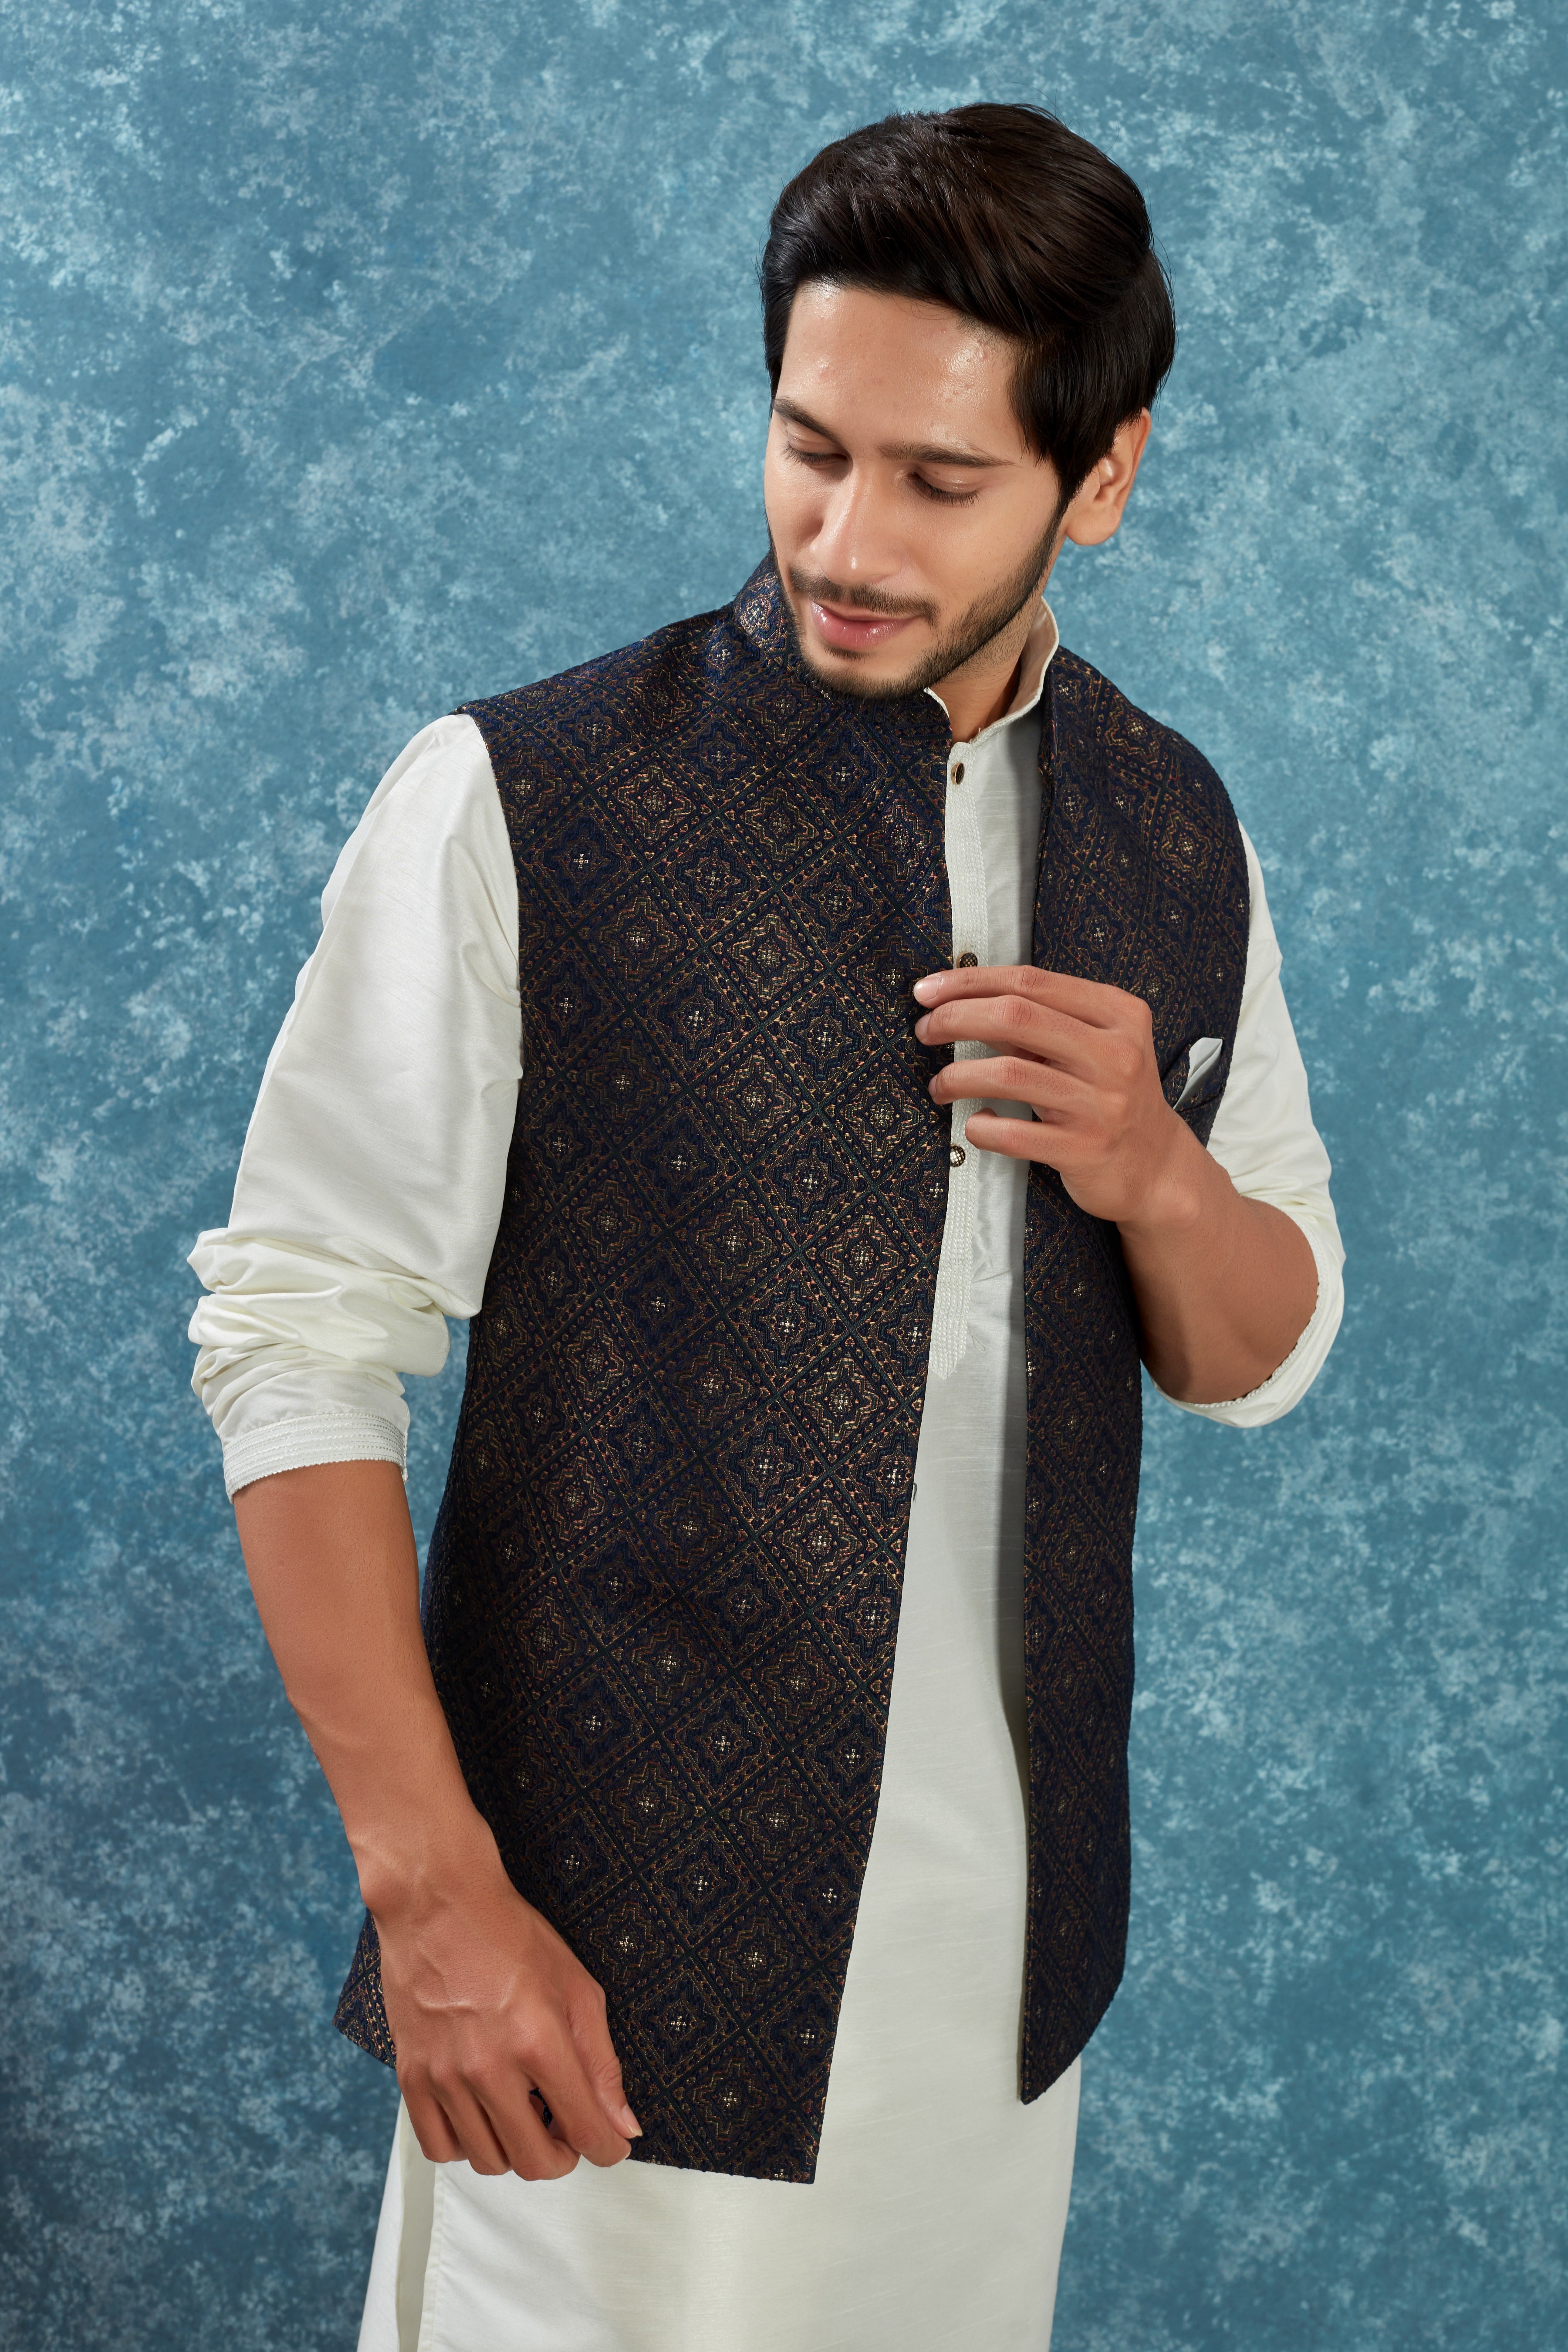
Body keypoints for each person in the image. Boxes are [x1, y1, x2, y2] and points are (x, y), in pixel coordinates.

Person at [189, 102, 1343, 2352]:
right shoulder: (521, 795)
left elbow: (1256, 1347)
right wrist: (435, 1897)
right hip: (595, 1950)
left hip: (1001, 1981)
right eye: (810, 449)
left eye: (940, 481)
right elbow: (297, 1332)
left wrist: (1154, 1169)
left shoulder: (1177, 829)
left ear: (1101, 478)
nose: (846, 537)